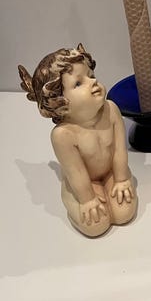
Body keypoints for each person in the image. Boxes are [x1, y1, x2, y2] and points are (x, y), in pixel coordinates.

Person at [18, 44, 137, 237]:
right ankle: (80, 198)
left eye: (91, 75)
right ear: (59, 102)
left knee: (124, 213)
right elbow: (76, 172)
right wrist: (87, 199)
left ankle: (111, 186)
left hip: (111, 173)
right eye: (78, 83)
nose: (93, 81)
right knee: (96, 225)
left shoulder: (111, 110)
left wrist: (121, 179)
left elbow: (119, 151)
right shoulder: (63, 135)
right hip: (84, 183)